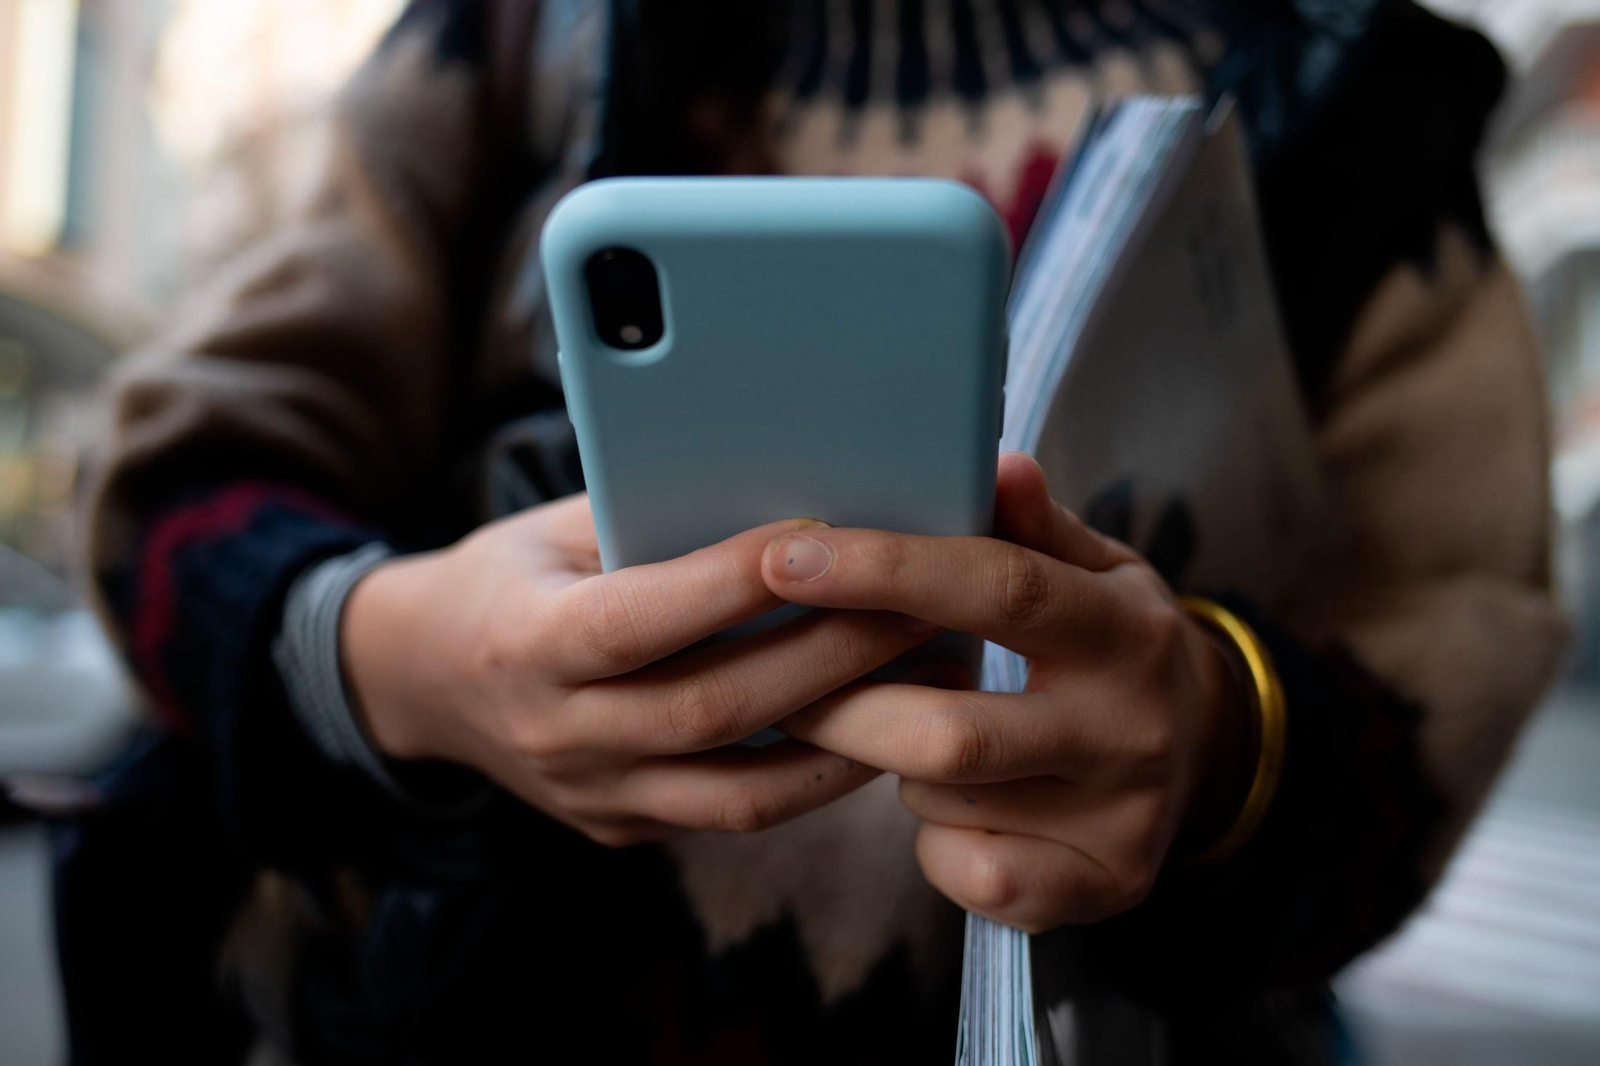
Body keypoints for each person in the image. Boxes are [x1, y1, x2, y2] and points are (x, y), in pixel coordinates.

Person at [68, 1, 1566, 1063]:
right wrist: (400, 658)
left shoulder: (1366, 101)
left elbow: (1447, 652)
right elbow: (172, 499)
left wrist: (1220, 734)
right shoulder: (507, 33)